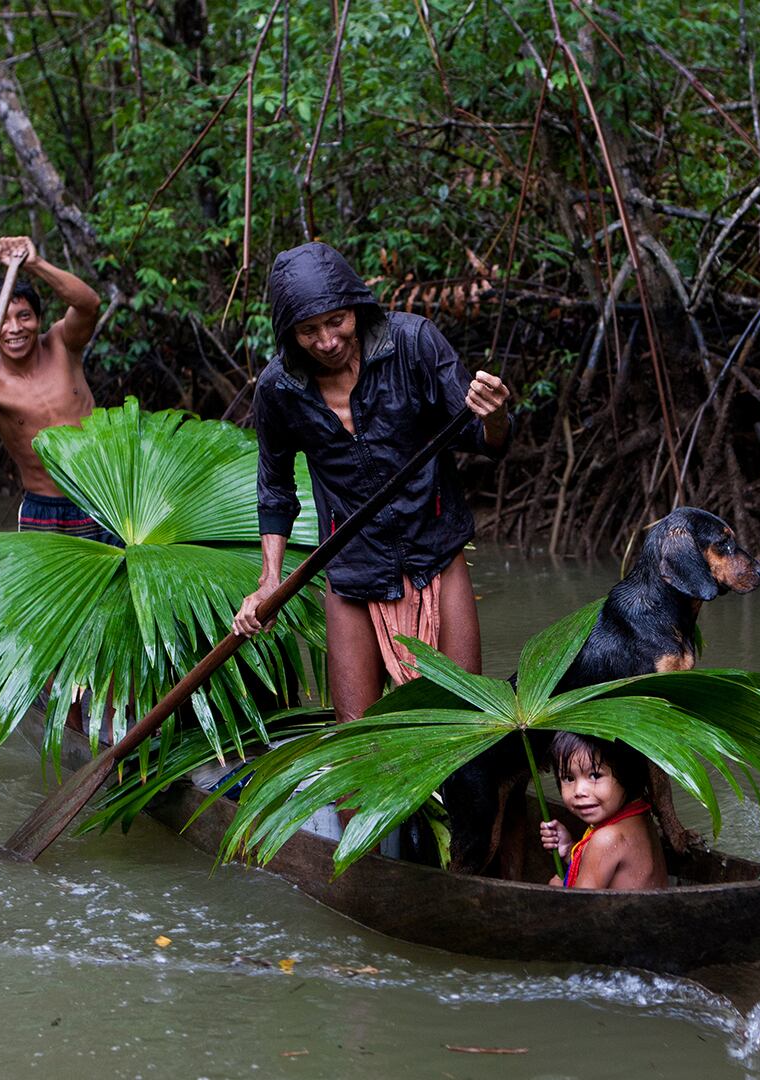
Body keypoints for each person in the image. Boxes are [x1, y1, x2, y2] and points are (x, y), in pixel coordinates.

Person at [231, 241, 510, 725]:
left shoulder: (415, 343)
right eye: (308, 330)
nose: (327, 340)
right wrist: (268, 580)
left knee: (468, 727)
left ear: (356, 308)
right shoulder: (279, 388)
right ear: (288, 333)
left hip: (436, 552)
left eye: (336, 321)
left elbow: (485, 439)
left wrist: (497, 414)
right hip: (352, 568)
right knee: (356, 736)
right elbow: (275, 488)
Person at [0, 236, 111, 546]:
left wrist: (35, 264)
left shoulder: (63, 344)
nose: (15, 328)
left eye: (24, 316)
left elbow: (89, 304)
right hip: (45, 510)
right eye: (2, 321)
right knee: (53, 596)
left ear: (38, 319)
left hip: (105, 496)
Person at [538, 731, 668, 890]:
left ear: (627, 774)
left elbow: (578, 907)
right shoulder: (640, 816)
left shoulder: (606, 839)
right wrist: (569, 849)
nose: (579, 791)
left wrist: (557, 890)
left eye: (594, 775)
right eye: (568, 778)